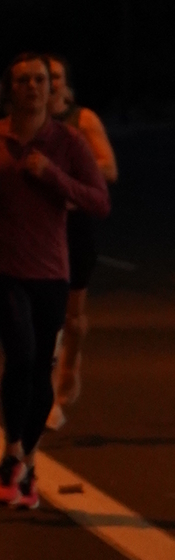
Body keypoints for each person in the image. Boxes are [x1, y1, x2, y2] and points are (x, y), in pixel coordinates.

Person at [0, 54, 108, 507]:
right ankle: (12, 452)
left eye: (40, 80)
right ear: (9, 88)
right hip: (6, 271)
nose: (32, 87)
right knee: (20, 355)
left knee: (40, 364)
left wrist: (54, 176)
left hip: (51, 272)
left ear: (52, 88)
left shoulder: (67, 141)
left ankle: (26, 460)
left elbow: (99, 201)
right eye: (23, 80)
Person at [44, 56, 118, 430]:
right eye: (44, 77)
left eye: (56, 77)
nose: (50, 83)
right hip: (38, 230)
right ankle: (45, 395)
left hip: (75, 228)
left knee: (72, 319)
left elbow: (109, 168)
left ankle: (70, 365)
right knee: (44, 317)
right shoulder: (26, 122)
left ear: (64, 82)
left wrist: (68, 176)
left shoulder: (82, 120)